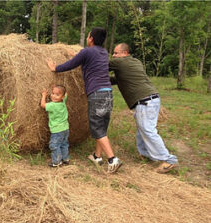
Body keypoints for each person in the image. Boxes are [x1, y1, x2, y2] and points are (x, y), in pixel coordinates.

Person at [47, 27, 122, 173]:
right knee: (102, 126)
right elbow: (86, 59)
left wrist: (55, 68)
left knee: (96, 128)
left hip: (97, 94)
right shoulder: (103, 53)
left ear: (91, 39)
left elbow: (71, 64)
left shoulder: (87, 51)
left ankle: (113, 159)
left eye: (88, 36)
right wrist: (77, 54)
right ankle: (97, 156)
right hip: (108, 94)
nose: (87, 38)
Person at [109, 43, 178, 174]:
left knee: (147, 130)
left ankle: (168, 160)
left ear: (124, 53)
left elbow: (100, 65)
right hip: (152, 99)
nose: (113, 55)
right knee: (142, 129)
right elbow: (119, 80)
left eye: (116, 53)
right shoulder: (134, 62)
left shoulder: (121, 63)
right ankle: (146, 154)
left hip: (145, 101)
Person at [41, 85, 70, 167]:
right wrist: (58, 88)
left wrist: (44, 96)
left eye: (57, 95)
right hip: (65, 129)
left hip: (57, 130)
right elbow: (66, 94)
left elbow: (43, 105)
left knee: (54, 145)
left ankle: (57, 162)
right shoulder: (63, 101)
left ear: (62, 96)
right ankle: (66, 159)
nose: (54, 96)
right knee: (64, 144)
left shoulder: (53, 105)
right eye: (53, 93)